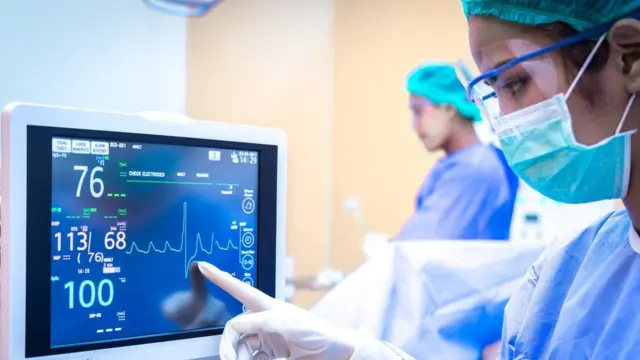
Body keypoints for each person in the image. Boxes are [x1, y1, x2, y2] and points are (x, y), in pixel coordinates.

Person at [194, 0, 640, 358]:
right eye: (493, 89)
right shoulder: (569, 271)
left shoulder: (481, 177)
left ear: (630, 58)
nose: (504, 119)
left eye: (516, 81)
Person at [396, 62, 519, 240]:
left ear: (448, 108)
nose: (414, 126)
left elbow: (419, 244)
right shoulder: (460, 163)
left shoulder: (474, 169)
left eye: (418, 111)